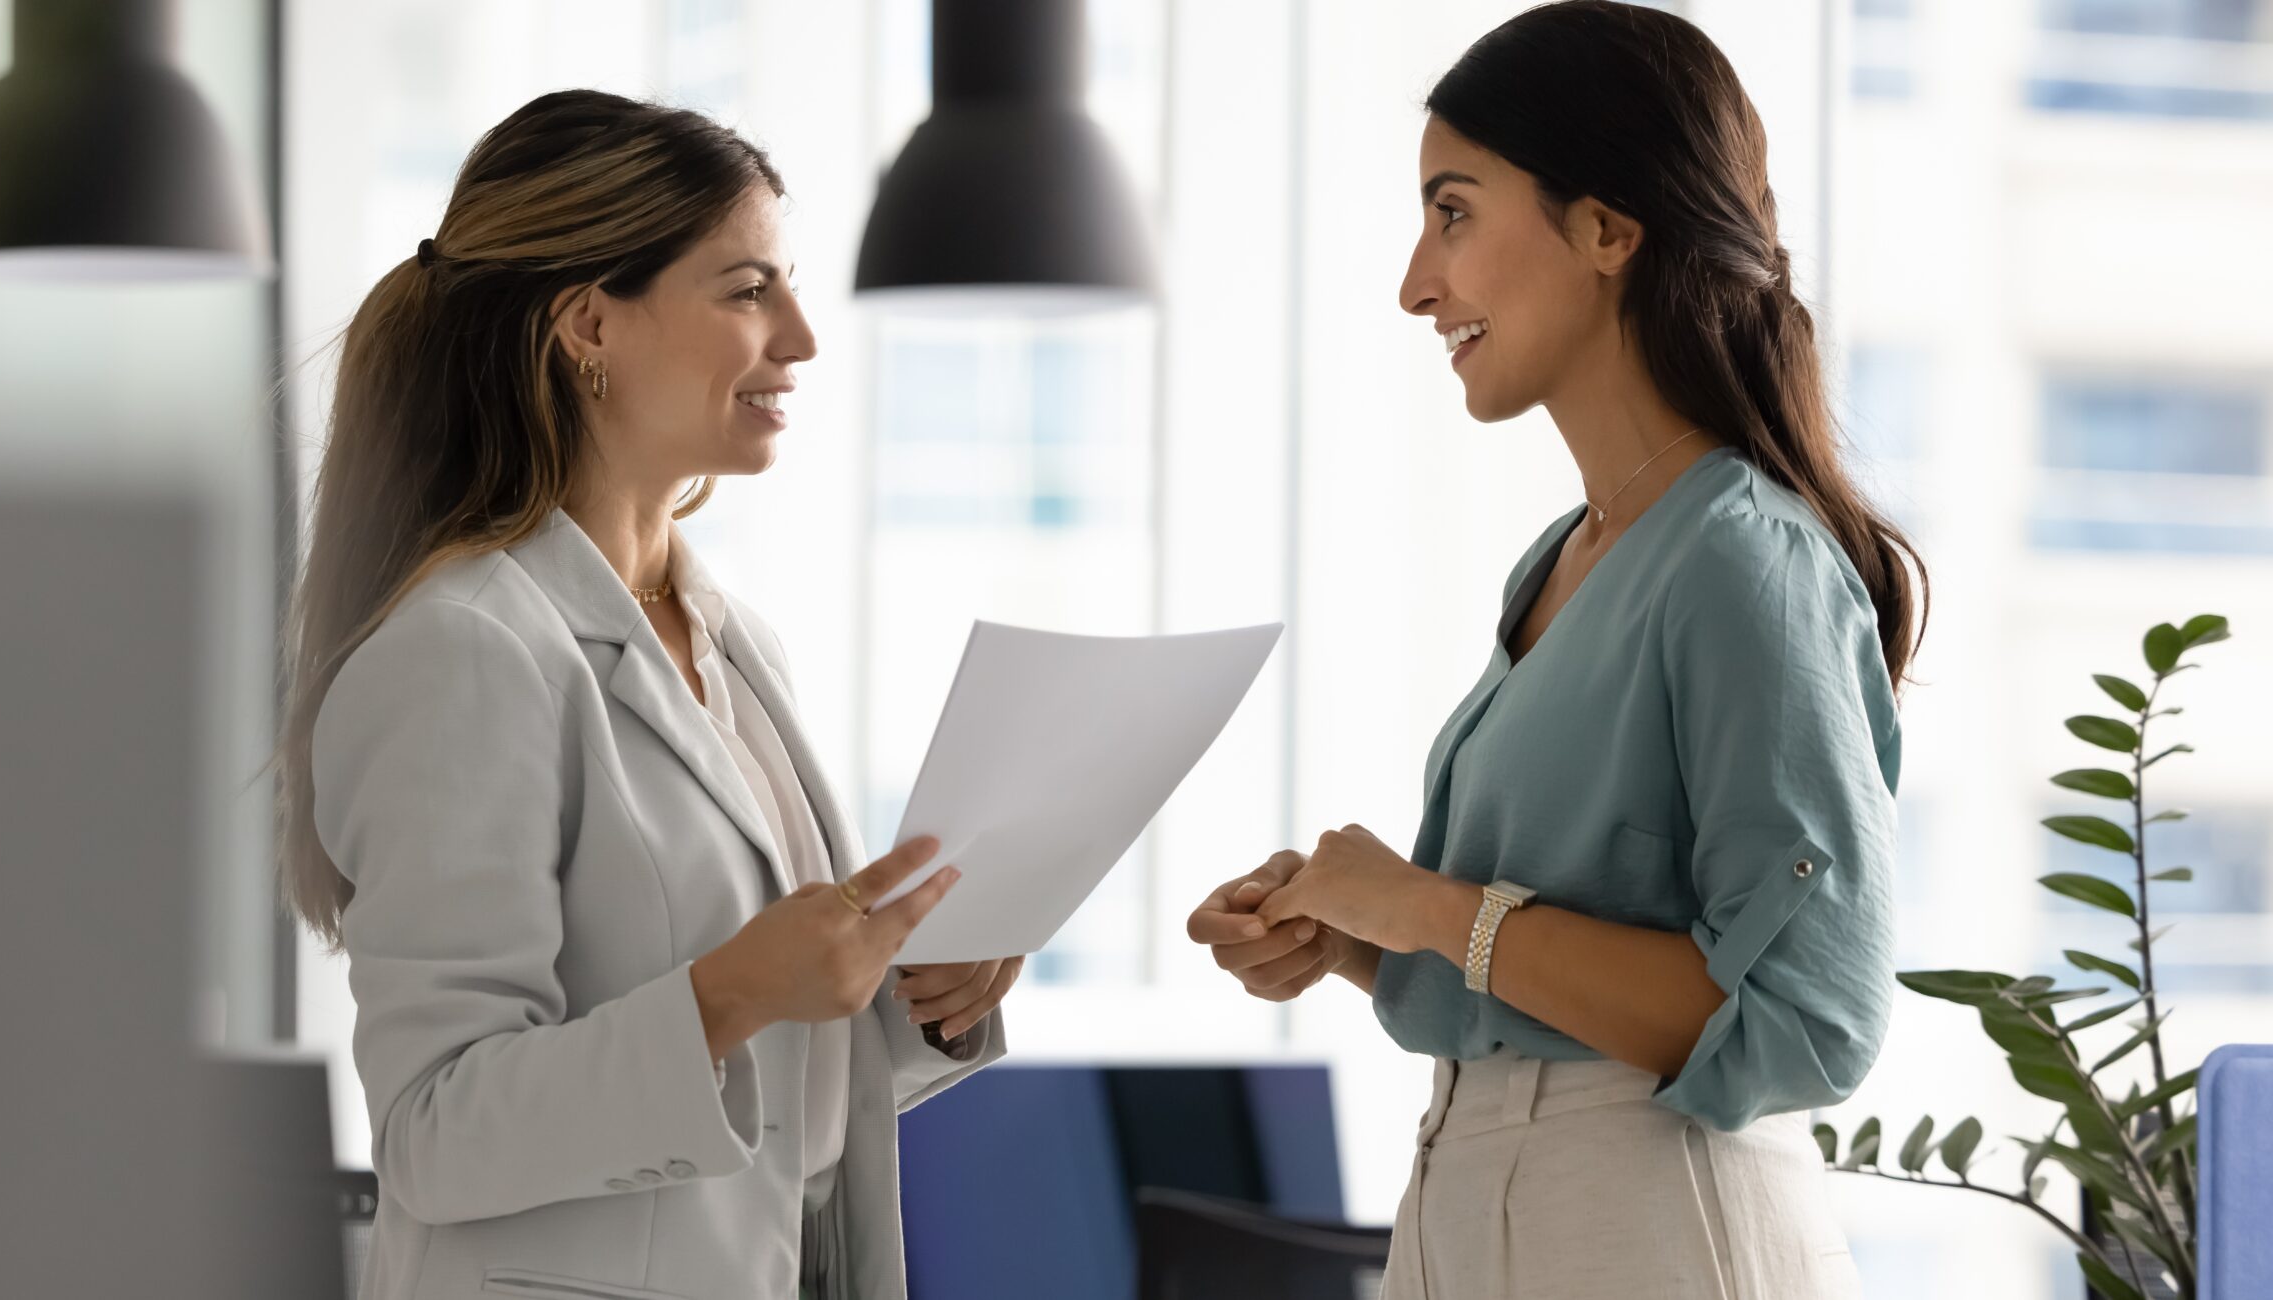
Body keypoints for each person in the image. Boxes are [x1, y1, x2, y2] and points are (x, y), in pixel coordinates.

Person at [1187, 5, 1928, 1296]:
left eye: (1454, 212)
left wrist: (1427, 907)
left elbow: (1812, 1016)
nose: (1417, 281)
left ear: (1607, 228)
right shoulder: (1564, 561)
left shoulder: (1744, 560)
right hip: (1482, 1212)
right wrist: (1358, 936)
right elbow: (1560, 961)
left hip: (1653, 1228)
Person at [277, 90, 1022, 1300]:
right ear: (587, 325)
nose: (799, 336)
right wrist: (733, 989)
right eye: (745, 290)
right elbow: (435, 1128)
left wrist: (916, 998)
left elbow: (775, 1092)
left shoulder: (731, 640)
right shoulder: (465, 651)